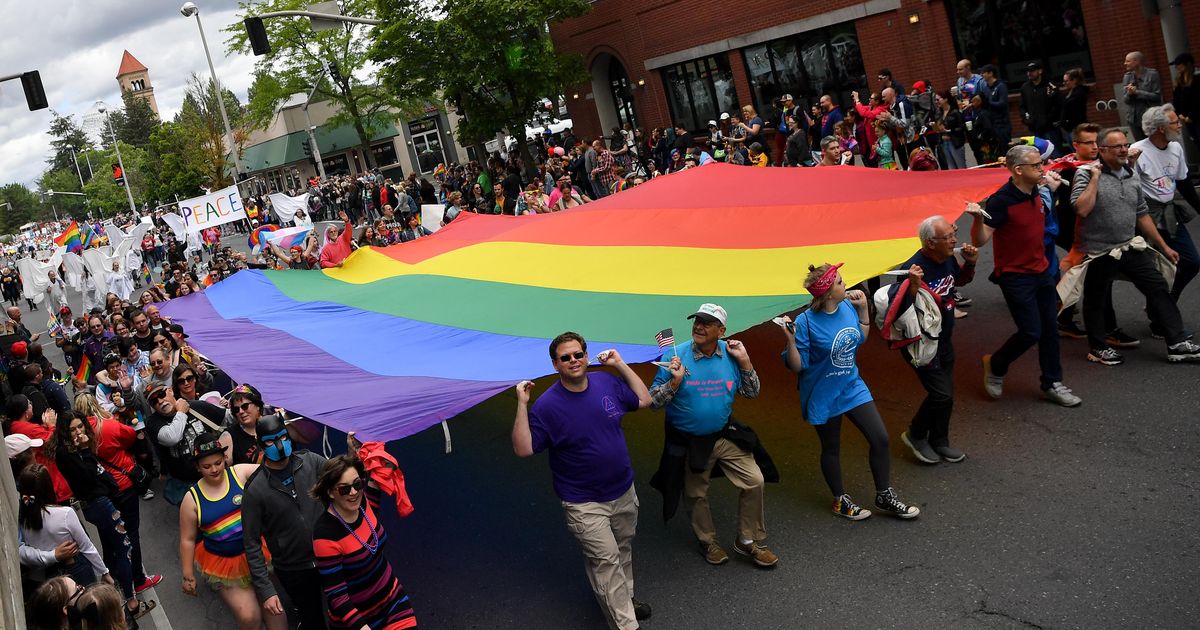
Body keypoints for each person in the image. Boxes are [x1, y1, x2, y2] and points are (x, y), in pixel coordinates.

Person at [512, 333, 653, 630]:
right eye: (566, 358)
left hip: (623, 489)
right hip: (584, 502)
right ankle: (626, 624)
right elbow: (524, 449)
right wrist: (522, 404)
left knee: (622, 548)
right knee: (605, 561)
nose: (573, 361)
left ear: (587, 356)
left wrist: (620, 364)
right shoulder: (546, 407)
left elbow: (644, 399)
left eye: (578, 354)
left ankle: (625, 599)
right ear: (555, 364)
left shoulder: (606, 382)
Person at [776, 264, 920, 519]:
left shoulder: (846, 307)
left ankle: (884, 495)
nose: (846, 285)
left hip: (852, 385)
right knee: (831, 447)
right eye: (841, 282)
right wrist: (790, 340)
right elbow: (798, 366)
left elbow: (858, 338)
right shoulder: (806, 322)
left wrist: (864, 309)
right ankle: (840, 500)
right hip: (823, 393)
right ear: (829, 293)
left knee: (880, 438)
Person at [648, 303, 778, 568]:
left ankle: (748, 541)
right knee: (696, 493)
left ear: (722, 330)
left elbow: (752, 392)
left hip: (722, 435)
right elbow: (652, 402)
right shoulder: (675, 356)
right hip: (690, 440)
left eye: (707, 323)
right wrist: (674, 383)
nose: (699, 326)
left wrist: (745, 362)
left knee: (754, 480)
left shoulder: (731, 355)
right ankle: (707, 541)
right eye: (697, 321)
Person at [1068, 127, 1200, 363]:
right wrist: (1096, 178)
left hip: (1129, 245)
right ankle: (1098, 347)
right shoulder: (1086, 174)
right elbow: (1082, 209)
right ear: (1102, 150)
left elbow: (1142, 213)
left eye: (1125, 145)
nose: (1123, 150)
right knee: (1096, 298)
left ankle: (1177, 342)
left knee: (1158, 286)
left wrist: (1163, 246)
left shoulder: (1131, 174)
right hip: (1099, 249)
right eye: (1117, 146)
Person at [968, 144, 1082, 406]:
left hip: (1042, 271)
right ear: (1018, 170)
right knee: (1031, 332)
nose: (1042, 168)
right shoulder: (1001, 201)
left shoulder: (1037, 191)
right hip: (1015, 276)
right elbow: (982, 239)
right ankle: (996, 365)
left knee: (1050, 329)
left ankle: (1052, 382)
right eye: (1036, 165)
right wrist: (976, 219)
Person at [53, 411, 156, 622]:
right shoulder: (67, 453)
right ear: (65, 432)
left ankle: (110, 587)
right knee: (124, 546)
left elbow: (101, 474)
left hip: (103, 500)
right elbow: (90, 474)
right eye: (72, 429)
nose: (78, 432)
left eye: (80, 427)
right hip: (98, 504)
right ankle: (131, 601)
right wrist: (85, 450)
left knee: (112, 545)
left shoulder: (76, 450)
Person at [890, 219, 978, 462]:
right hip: (921, 345)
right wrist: (912, 289)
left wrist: (969, 265)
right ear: (930, 243)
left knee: (947, 393)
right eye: (948, 237)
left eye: (954, 234)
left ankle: (940, 441)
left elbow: (957, 281)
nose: (954, 241)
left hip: (944, 340)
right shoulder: (913, 270)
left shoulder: (947, 257)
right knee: (941, 394)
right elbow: (897, 314)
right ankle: (916, 434)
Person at [179, 433, 286, 630]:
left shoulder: (239, 473)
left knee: (274, 609)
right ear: (197, 467)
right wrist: (188, 575)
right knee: (249, 617)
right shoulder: (191, 499)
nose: (214, 469)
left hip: (257, 553)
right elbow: (187, 539)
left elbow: (275, 471)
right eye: (206, 466)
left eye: (218, 463)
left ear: (225, 459)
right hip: (224, 564)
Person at [241, 413, 330, 629]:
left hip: (329, 555)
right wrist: (266, 590)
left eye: (282, 437)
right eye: (270, 441)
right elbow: (251, 543)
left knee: (345, 611)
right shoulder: (255, 490)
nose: (279, 446)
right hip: (293, 568)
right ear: (261, 445)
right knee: (312, 619)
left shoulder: (311, 462)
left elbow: (343, 477)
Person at [311, 454, 418, 630]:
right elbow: (336, 596)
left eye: (357, 484)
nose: (353, 492)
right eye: (344, 489)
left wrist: (368, 449)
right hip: (358, 619)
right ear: (330, 492)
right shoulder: (325, 535)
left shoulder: (365, 501)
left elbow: (380, 467)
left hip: (392, 599)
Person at [1133, 104, 1200, 309]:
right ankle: (1160, 314)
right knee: (1157, 270)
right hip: (1147, 216)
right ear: (1161, 128)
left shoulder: (1176, 147)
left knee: (1191, 262)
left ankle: (1166, 302)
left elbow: (1184, 182)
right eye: (1175, 122)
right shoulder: (1137, 152)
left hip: (1170, 212)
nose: (1180, 125)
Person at [18, 463, 111, 587]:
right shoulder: (65, 514)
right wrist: (104, 571)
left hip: (47, 577)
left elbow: (22, 550)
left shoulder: (23, 517)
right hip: (74, 568)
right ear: (48, 487)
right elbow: (86, 546)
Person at [1019, 61, 1062, 145]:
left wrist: (1048, 119)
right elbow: (1022, 106)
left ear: (1040, 71)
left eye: (1032, 71)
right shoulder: (1025, 87)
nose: (1029, 73)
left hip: (1050, 128)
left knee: (1055, 152)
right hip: (1034, 128)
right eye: (1028, 71)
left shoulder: (1050, 85)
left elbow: (1057, 104)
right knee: (1040, 154)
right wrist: (1026, 120)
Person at [1122, 51, 1162, 141]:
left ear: (1136, 61)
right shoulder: (1127, 77)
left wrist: (1137, 92)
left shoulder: (1152, 74)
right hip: (1133, 119)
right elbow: (1125, 100)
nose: (1125, 63)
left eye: (1127, 61)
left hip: (1150, 118)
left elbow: (1157, 96)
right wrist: (1129, 93)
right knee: (1141, 146)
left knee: (1155, 143)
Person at [1172, 53, 1199, 152]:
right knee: (1196, 141)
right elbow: (1176, 100)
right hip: (1186, 119)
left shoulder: (1197, 78)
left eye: (1179, 64)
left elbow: (1197, 100)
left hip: (1195, 117)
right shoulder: (1179, 81)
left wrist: (1191, 116)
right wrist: (1179, 114)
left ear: (1187, 64)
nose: (1177, 67)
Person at [979, 64, 1012, 148]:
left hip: (1002, 124)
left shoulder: (1001, 86)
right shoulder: (986, 88)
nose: (981, 75)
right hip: (991, 124)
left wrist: (989, 103)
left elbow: (1003, 103)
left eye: (984, 73)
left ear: (991, 73)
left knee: (1006, 148)